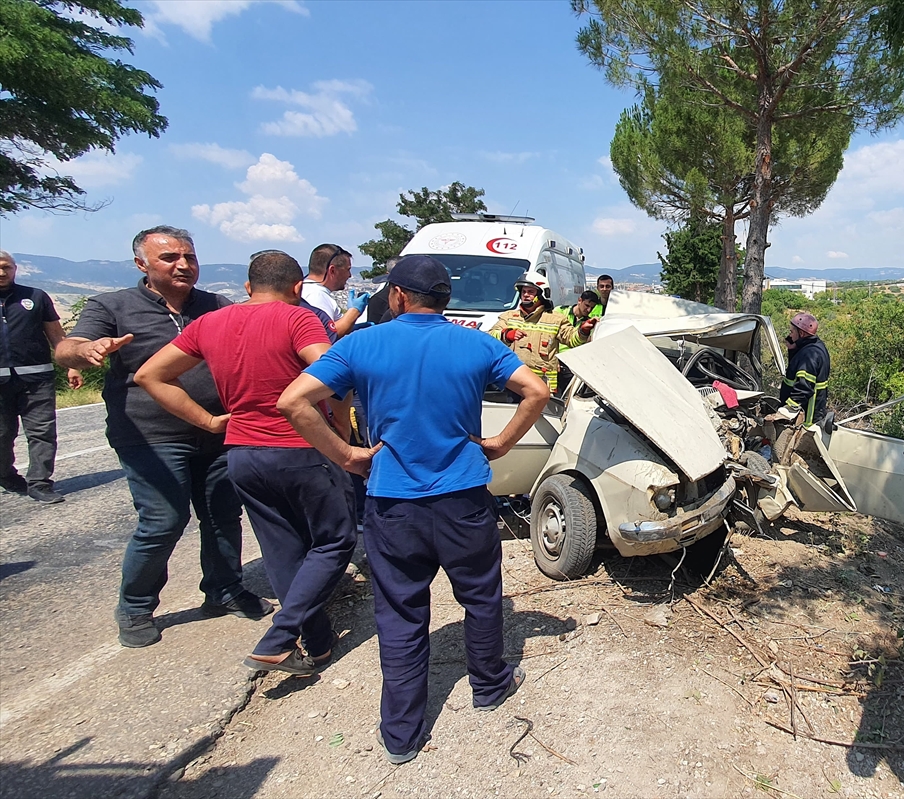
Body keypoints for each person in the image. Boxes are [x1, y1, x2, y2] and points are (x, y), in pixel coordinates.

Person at [277, 254, 549, 765]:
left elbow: (292, 402)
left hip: (393, 504)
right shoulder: (476, 343)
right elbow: (535, 391)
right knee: (482, 596)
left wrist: (346, 455)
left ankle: (401, 733)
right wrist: (502, 443)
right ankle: (490, 686)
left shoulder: (360, 343)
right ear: (445, 299)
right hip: (464, 499)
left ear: (398, 295)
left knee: (400, 614)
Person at [135, 250, 355, 676]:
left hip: (242, 455)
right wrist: (343, 432)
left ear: (247, 287)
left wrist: (209, 421)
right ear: (297, 288)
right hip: (300, 451)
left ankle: (318, 643)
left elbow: (150, 375)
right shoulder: (298, 318)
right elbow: (335, 372)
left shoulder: (209, 322)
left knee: (283, 550)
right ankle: (280, 634)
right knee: (334, 541)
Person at [55, 226, 270, 648]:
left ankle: (223, 589)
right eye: (170, 257)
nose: (183, 265)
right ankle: (135, 607)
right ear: (142, 264)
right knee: (163, 520)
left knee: (222, 514)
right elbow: (67, 345)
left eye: (189, 257)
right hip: (150, 435)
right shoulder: (113, 305)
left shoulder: (214, 305)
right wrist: (87, 350)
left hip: (215, 429)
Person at [0, 251, 67, 503]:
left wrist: (71, 366)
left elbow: (57, 336)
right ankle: (5, 475)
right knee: (3, 435)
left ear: (15, 269)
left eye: (6, 267)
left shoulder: (35, 297)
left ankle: (40, 483)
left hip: (37, 378)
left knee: (42, 432)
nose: (1, 272)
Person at [488, 280, 580, 393]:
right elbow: (490, 337)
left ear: (541, 295)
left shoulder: (556, 319)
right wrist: (506, 334)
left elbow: (572, 339)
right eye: (523, 292)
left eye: (530, 292)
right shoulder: (509, 317)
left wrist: (583, 331)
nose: (526, 295)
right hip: (512, 384)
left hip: (542, 387)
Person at [301, 243, 369, 339]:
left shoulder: (304, 290)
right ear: (332, 270)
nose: (349, 275)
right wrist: (354, 311)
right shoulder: (316, 296)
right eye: (347, 270)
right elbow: (324, 335)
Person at [777, 312, 829, 425]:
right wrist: (793, 350)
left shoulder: (808, 355)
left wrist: (787, 410)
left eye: (792, 331)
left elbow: (803, 388)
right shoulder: (816, 346)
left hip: (807, 418)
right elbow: (797, 372)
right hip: (814, 412)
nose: (789, 335)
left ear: (801, 333)